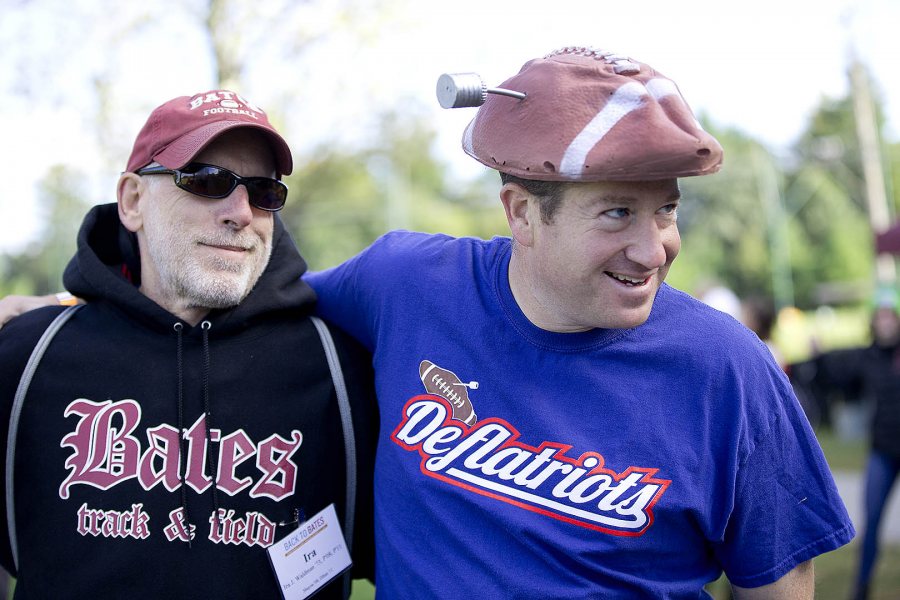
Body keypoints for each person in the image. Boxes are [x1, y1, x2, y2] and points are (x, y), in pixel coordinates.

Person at [1, 48, 855, 598]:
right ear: (522, 212)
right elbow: (239, 295)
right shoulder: (407, 284)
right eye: (616, 213)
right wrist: (74, 313)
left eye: (666, 211)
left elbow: (779, 583)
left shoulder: (729, 368)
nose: (656, 247)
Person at [0, 90, 377, 598]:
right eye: (207, 180)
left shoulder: (340, 371)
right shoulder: (26, 358)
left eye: (264, 190)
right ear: (133, 201)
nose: (241, 211)